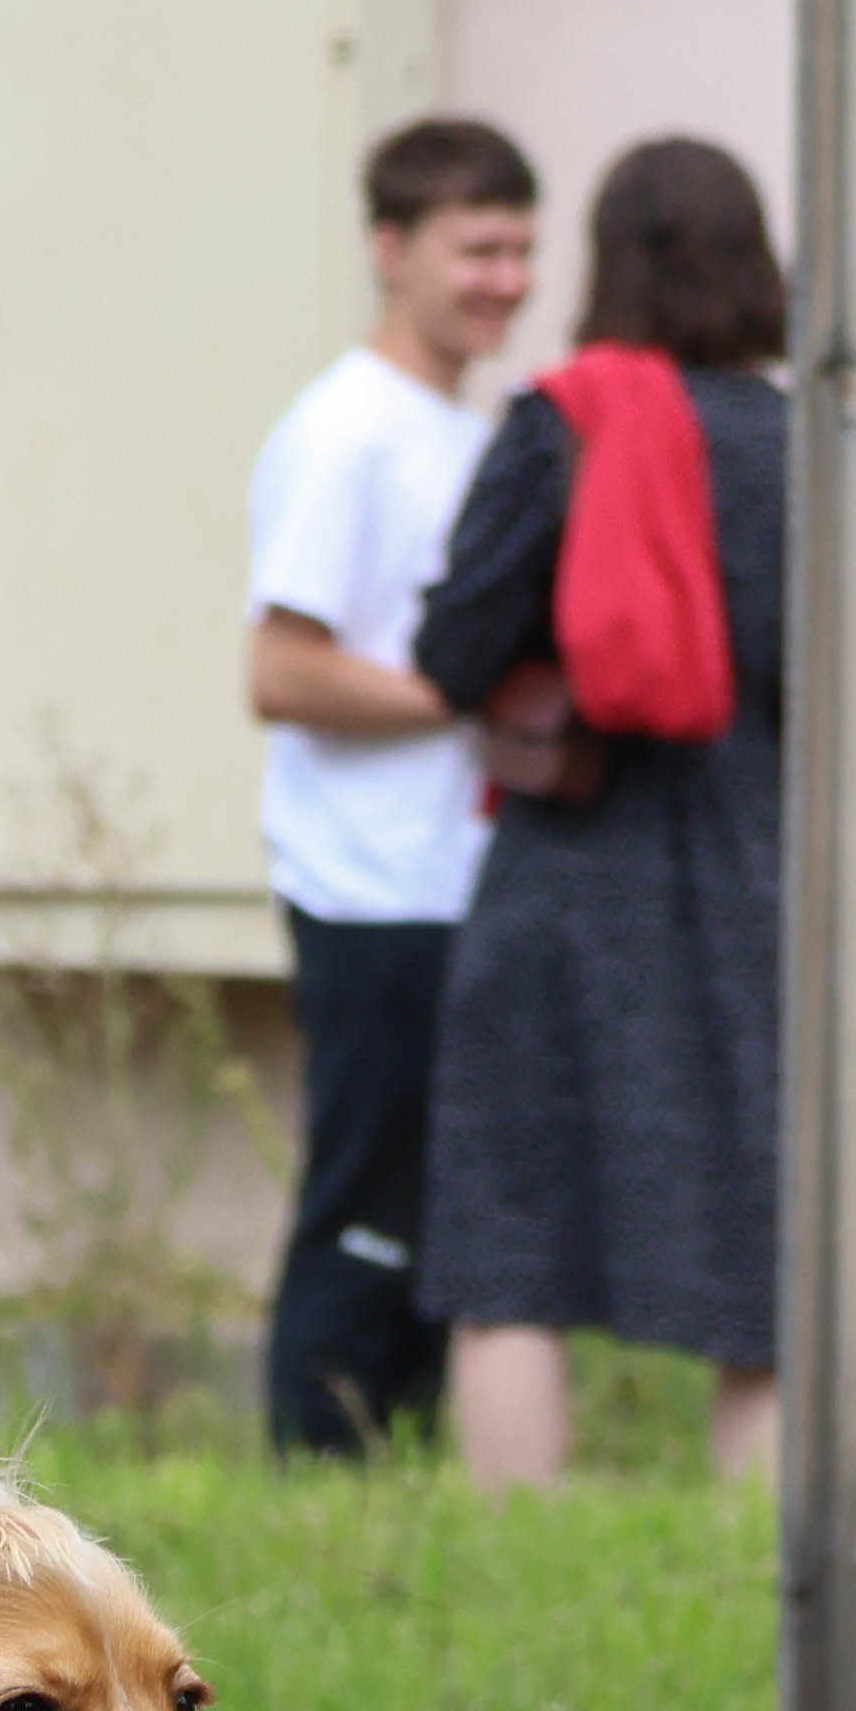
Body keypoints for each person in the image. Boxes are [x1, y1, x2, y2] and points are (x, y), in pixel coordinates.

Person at [402, 136, 787, 1490]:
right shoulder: (811, 448)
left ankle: (519, 1552)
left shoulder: (562, 424)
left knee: (512, 1240)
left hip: (566, 877)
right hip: (759, 883)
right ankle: (758, 1552)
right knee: (762, 1254)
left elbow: (451, 652)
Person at [237, 117, 536, 1454]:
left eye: (525, 249)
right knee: (363, 1197)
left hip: (449, 880)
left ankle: (389, 1458)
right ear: (391, 247)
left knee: (434, 1199)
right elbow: (282, 671)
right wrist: (463, 696)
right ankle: (315, 1466)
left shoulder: (455, 430)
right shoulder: (348, 432)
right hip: (369, 890)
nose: (507, 279)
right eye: (479, 247)